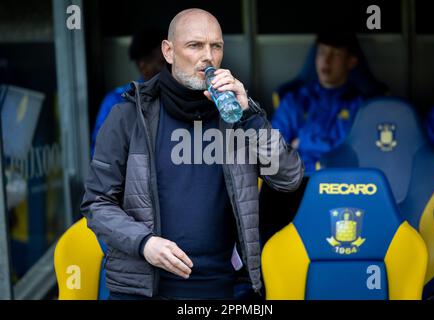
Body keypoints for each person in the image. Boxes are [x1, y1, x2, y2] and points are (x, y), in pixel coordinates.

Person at [81, 8, 303, 300]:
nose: (208, 55)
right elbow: (97, 204)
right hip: (144, 290)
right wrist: (144, 243)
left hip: (223, 287)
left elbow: (289, 178)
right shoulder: (128, 116)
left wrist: (250, 115)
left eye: (216, 46)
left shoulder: (237, 114)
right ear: (169, 52)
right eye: (195, 45)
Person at [271, 27, 366, 174]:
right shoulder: (294, 101)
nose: (326, 60)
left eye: (335, 53)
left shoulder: (361, 106)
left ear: (351, 61)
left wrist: (302, 142)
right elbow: (273, 150)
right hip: (297, 182)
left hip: (341, 185)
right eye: (321, 52)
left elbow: (355, 153)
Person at [90, 28, 165, 157]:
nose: (144, 66)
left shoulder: (180, 94)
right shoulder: (118, 99)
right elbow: (102, 152)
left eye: (151, 58)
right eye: (140, 61)